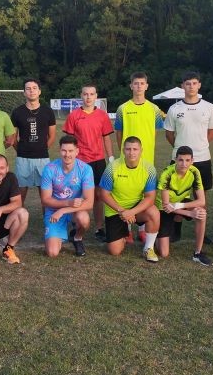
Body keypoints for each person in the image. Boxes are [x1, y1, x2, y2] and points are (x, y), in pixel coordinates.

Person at [114, 72, 164, 242]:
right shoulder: (123, 108)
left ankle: (142, 228)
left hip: (147, 158)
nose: (139, 86)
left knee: (145, 192)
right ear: (131, 86)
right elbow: (119, 133)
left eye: (142, 83)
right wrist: (124, 152)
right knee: (125, 191)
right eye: (136, 83)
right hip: (127, 158)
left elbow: (154, 132)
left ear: (146, 86)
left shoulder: (154, 109)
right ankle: (126, 228)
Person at [63, 83, 116, 241]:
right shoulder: (74, 115)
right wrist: (69, 159)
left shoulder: (102, 115)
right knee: (78, 194)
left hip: (98, 161)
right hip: (80, 161)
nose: (88, 97)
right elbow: (69, 141)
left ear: (96, 96)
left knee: (99, 195)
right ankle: (75, 225)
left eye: (91, 94)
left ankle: (99, 228)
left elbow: (106, 138)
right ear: (81, 95)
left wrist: (111, 158)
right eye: (85, 94)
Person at [99, 136, 161, 262]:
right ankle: (124, 233)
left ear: (141, 150)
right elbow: (103, 194)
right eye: (128, 149)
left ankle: (148, 248)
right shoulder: (112, 168)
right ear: (123, 150)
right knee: (115, 251)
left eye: (135, 149)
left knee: (154, 212)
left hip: (136, 208)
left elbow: (150, 198)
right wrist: (122, 211)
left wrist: (131, 212)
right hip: (116, 210)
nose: (131, 153)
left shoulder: (149, 169)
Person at [40, 135, 95, 257]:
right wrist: (67, 203)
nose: (67, 154)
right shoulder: (49, 169)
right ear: (59, 150)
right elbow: (45, 200)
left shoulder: (86, 169)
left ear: (77, 151)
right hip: (54, 210)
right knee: (52, 253)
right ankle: (56, 235)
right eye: (64, 150)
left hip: (75, 210)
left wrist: (64, 210)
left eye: (70, 151)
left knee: (84, 218)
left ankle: (77, 238)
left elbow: (89, 202)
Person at [156, 146, 211, 265]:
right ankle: (156, 234)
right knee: (163, 253)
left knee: (201, 213)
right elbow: (166, 206)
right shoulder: (167, 173)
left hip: (178, 203)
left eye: (187, 160)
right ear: (175, 160)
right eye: (180, 160)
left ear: (192, 161)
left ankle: (198, 253)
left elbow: (202, 201)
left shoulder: (194, 172)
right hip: (162, 208)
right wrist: (189, 213)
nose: (184, 164)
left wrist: (179, 205)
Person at [164, 72, 213, 192]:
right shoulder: (174, 109)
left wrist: (201, 144)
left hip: (202, 157)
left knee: (201, 194)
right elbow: (169, 134)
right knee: (176, 193)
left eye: (194, 83)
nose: (191, 86)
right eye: (188, 84)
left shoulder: (209, 107)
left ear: (199, 85)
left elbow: (212, 131)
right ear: (182, 86)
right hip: (179, 158)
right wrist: (181, 149)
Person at [10, 78, 57, 205]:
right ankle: (18, 217)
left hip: (43, 159)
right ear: (24, 92)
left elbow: (52, 136)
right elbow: (13, 137)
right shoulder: (17, 112)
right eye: (28, 89)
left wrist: (42, 149)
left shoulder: (48, 111)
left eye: (34, 88)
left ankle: (48, 219)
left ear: (39, 91)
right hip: (23, 159)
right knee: (19, 195)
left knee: (46, 196)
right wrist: (21, 150)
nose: (31, 91)